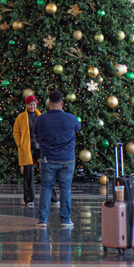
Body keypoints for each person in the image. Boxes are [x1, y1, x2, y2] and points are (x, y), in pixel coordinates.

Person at [31, 90, 81, 228]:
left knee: (46, 189)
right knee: (65, 189)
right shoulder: (70, 118)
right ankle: (65, 220)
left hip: (47, 160)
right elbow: (78, 127)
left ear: (48, 103)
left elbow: (34, 133)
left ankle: (42, 220)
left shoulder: (40, 119)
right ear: (62, 103)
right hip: (67, 160)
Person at [13, 95, 41, 206]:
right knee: (28, 174)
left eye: (34, 104)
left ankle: (52, 198)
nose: (32, 106)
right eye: (30, 104)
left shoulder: (40, 117)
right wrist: (20, 143)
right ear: (26, 105)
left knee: (45, 172)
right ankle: (29, 199)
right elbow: (16, 132)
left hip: (39, 147)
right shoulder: (21, 117)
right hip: (27, 148)